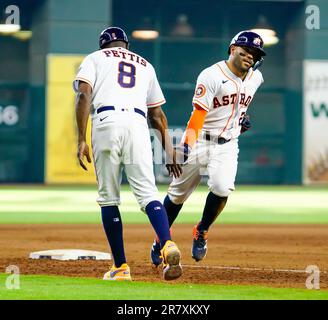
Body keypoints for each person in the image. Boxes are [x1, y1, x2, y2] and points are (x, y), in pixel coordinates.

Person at [74, 26, 183, 281]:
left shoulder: (95, 58)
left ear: (104, 46)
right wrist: (169, 149)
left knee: (109, 198)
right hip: (138, 124)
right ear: (126, 46)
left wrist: (81, 138)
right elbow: (157, 115)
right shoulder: (145, 64)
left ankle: (121, 267)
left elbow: (83, 94)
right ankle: (167, 243)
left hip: (106, 121)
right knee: (148, 194)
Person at [150, 30, 265, 266]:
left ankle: (201, 230)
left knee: (222, 188)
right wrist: (185, 146)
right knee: (177, 195)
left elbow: (238, 103)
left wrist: (240, 118)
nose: (250, 56)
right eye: (246, 51)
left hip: (227, 144)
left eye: (254, 54)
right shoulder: (211, 75)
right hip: (200, 140)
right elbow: (199, 114)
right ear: (232, 49)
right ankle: (161, 240)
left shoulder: (256, 78)